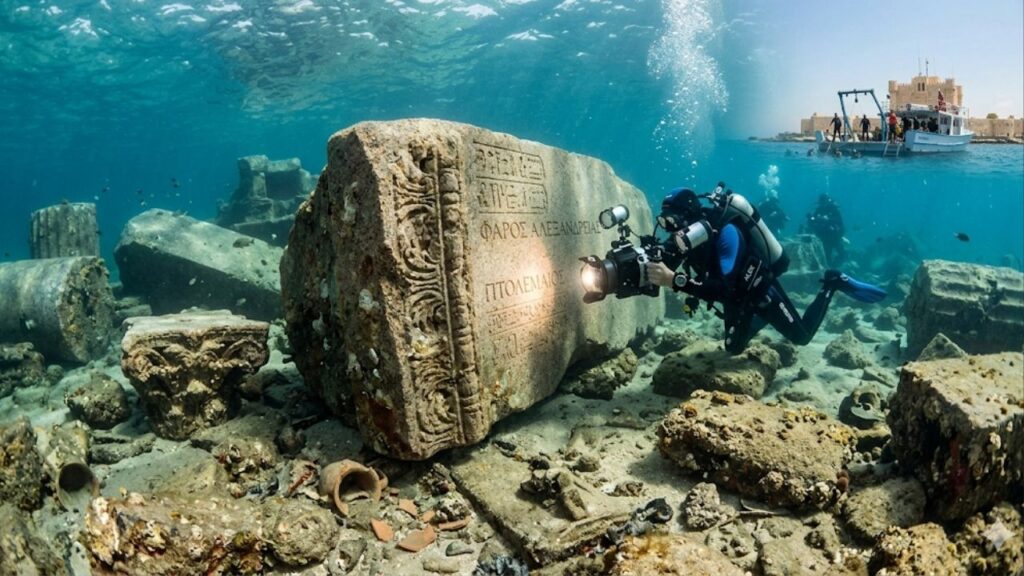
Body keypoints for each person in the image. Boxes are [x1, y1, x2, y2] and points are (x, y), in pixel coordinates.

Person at [644, 188, 885, 354]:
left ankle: (832, 283)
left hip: (759, 290)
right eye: (665, 221)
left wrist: (674, 280)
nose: (671, 229)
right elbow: (673, 264)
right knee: (733, 348)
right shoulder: (686, 238)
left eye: (673, 220)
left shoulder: (727, 232)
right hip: (737, 296)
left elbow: (724, 290)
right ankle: (763, 317)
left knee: (801, 337)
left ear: (689, 216)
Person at [802, 193, 846, 266]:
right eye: (821, 203)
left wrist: (828, 219)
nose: (822, 204)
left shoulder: (833, 208)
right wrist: (811, 218)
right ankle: (828, 268)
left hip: (835, 235)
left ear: (827, 201)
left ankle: (833, 266)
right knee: (826, 255)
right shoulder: (819, 209)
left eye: (824, 202)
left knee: (842, 254)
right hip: (825, 236)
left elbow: (839, 220)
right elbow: (813, 220)